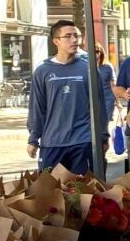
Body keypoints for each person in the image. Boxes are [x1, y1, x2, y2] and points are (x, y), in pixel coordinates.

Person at [27, 20, 109, 174]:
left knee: (85, 191)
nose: (74, 40)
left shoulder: (89, 69)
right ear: (56, 41)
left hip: (84, 141)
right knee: (51, 190)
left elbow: (99, 106)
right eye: (68, 36)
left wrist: (103, 136)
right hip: (52, 142)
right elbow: (37, 107)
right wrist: (33, 138)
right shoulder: (42, 71)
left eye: (76, 36)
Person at [95, 44, 117, 124]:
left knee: (105, 124)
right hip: (92, 100)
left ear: (101, 53)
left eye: (97, 51)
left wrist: (118, 102)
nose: (94, 53)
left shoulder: (107, 67)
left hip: (107, 100)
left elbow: (113, 86)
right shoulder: (86, 67)